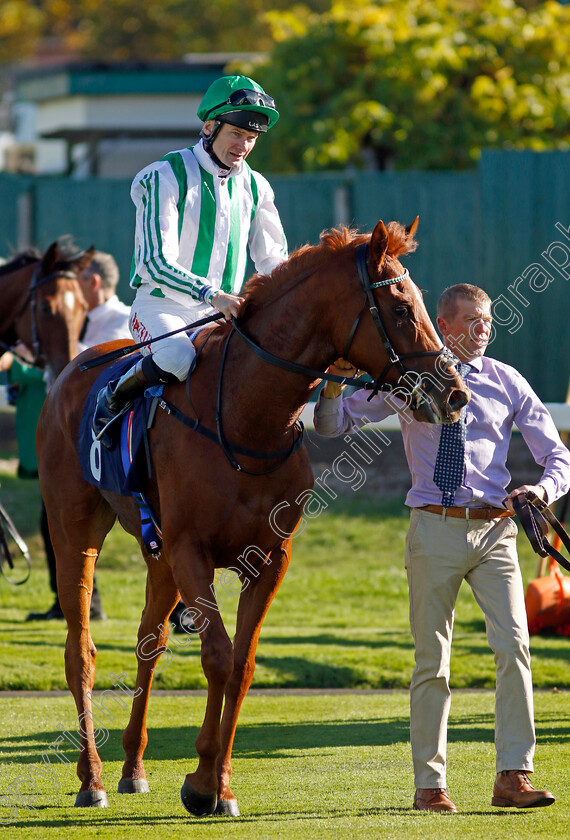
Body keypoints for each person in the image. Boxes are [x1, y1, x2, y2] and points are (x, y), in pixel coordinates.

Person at [314, 283, 570, 812]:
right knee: (433, 660)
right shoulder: (408, 381)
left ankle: (513, 776)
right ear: (444, 326)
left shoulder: (506, 380)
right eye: (473, 322)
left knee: (516, 651)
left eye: (489, 322)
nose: (484, 331)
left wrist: (539, 490)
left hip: (496, 531)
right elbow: (331, 426)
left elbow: (559, 458)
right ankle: (430, 786)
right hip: (433, 527)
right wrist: (334, 386)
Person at [92, 73, 287, 448]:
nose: (244, 145)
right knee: (178, 357)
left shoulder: (257, 185)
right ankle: (114, 395)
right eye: (236, 134)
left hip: (221, 315)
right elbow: (153, 262)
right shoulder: (163, 175)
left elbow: (273, 258)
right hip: (162, 309)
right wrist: (214, 295)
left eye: (252, 137)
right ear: (209, 126)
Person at [19, 251, 130, 622]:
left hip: (110, 440)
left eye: (79, 279)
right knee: (56, 519)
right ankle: (75, 605)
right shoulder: (84, 320)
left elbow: (101, 369)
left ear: (94, 282)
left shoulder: (120, 319)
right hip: (78, 440)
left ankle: (180, 611)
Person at [76, 250, 131, 350]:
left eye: (75, 281)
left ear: (93, 282)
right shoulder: (82, 319)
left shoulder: (127, 320)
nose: (71, 289)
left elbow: (95, 360)